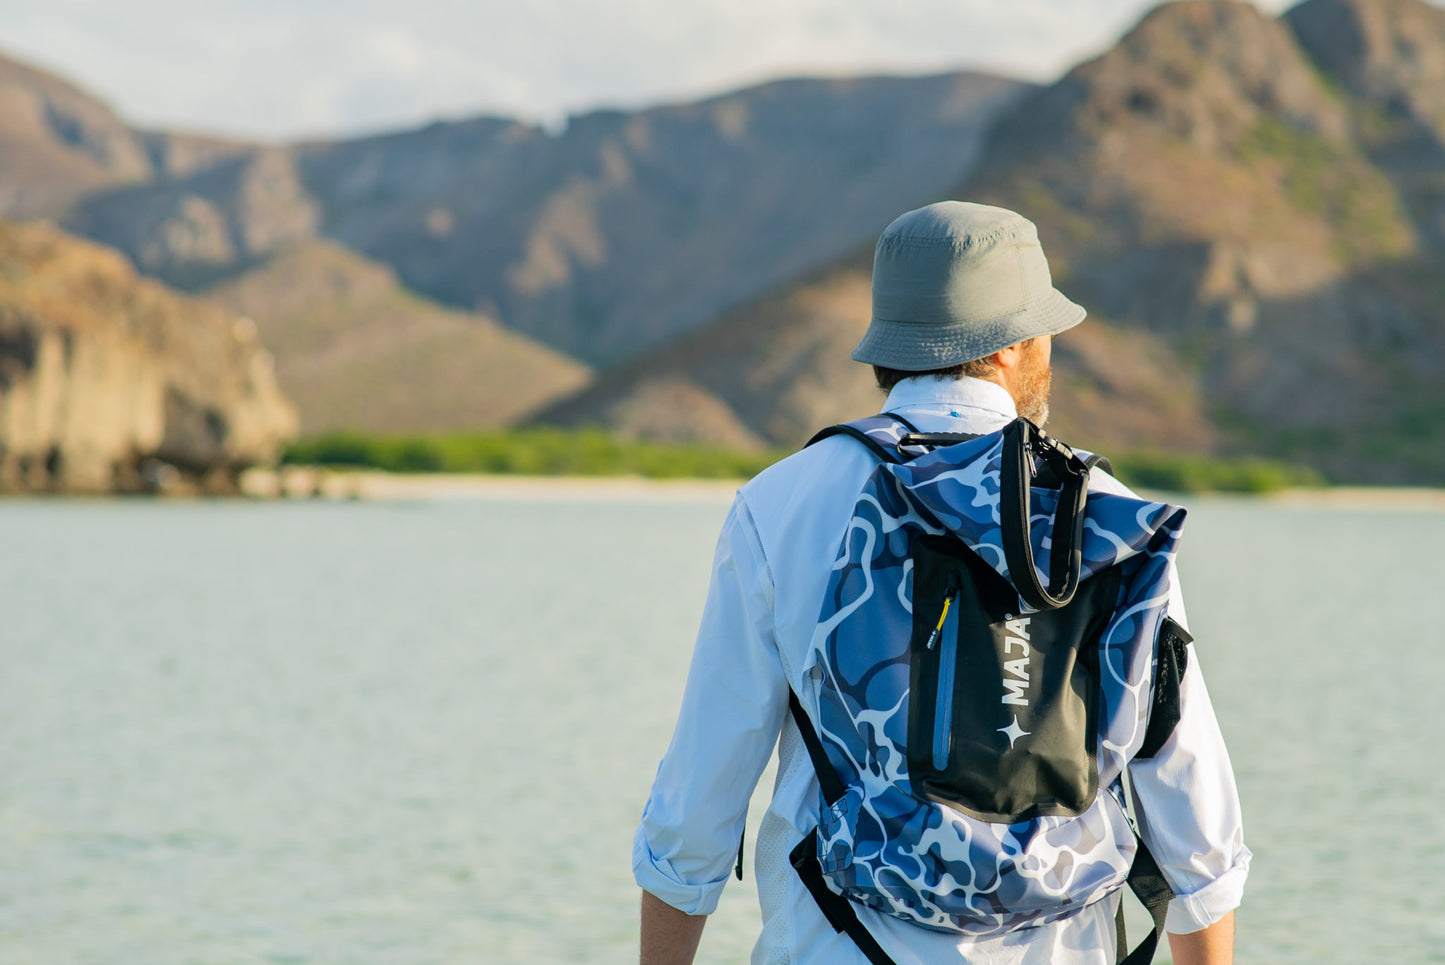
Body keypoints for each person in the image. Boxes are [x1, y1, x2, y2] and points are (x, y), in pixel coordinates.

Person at [633, 201, 1250, 965]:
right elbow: (1193, 820)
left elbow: (698, 799)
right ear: (1009, 348)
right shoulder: (1106, 517)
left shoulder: (781, 503)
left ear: (890, 346)